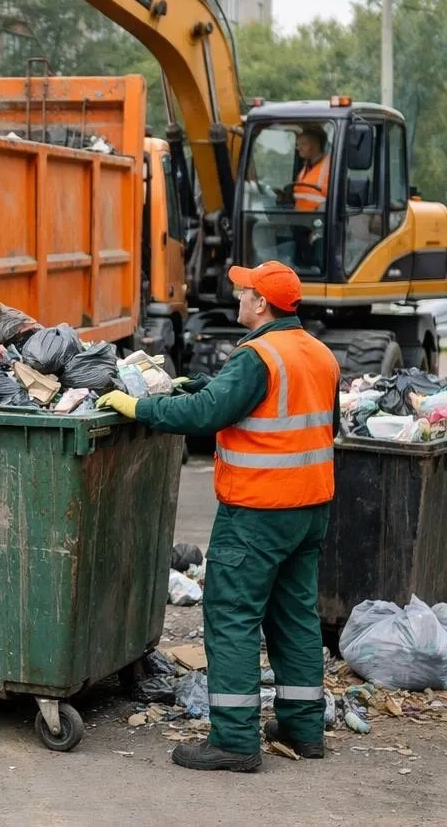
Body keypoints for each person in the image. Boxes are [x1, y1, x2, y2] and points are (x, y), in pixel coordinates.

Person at [99, 261, 340, 772]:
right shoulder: (318, 353)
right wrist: (207, 383)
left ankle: (233, 740)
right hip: (309, 509)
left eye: (244, 292)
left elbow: (207, 418)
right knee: (294, 616)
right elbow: (274, 409)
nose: (238, 298)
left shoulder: (257, 355)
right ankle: (303, 728)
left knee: (231, 617)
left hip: (257, 511)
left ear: (262, 303)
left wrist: (137, 407)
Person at [287, 126, 330, 211]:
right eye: (298, 145)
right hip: (301, 219)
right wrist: (286, 197)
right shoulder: (306, 167)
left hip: (317, 220)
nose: (299, 148)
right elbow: (303, 194)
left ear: (316, 145)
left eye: (303, 144)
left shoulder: (330, 167)